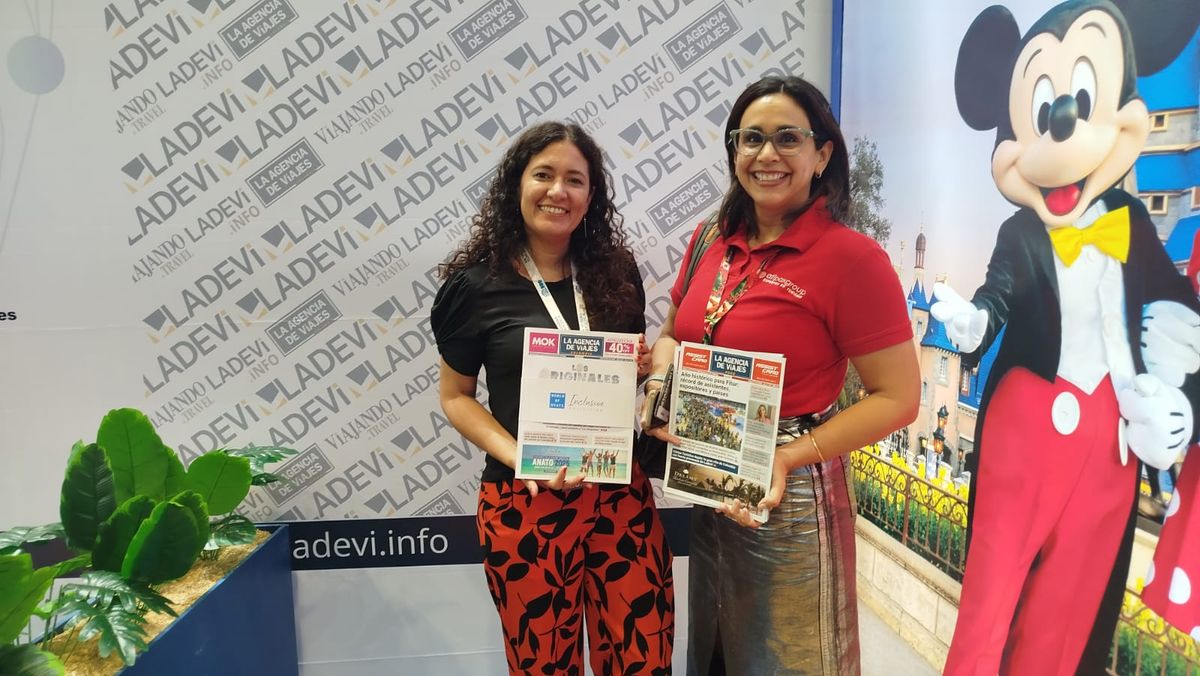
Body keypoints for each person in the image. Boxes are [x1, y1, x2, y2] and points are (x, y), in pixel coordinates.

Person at [642, 76, 919, 674]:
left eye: (787, 138)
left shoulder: (852, 259)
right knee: (715, 651)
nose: (766, 155)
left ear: (822, 155)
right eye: (751, 139)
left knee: (792, 658)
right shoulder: (710, 240)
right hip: (708, 479)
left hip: (791, 489)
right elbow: (672, 335)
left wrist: (789, 457)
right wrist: (663, 370)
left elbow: (899, 399)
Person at [432, 121, 674, 675]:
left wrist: (638, 369)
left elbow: (617, 384)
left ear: (592, 197)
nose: (557, 192)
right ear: (517, 184)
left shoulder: (616, 274)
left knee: (642, 658)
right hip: (526, 502)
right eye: (543, 175)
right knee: (542, 665)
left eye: (575, 180)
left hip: (620, 500)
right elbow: (456, 397)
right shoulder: (474, 287)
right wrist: (518, 455)